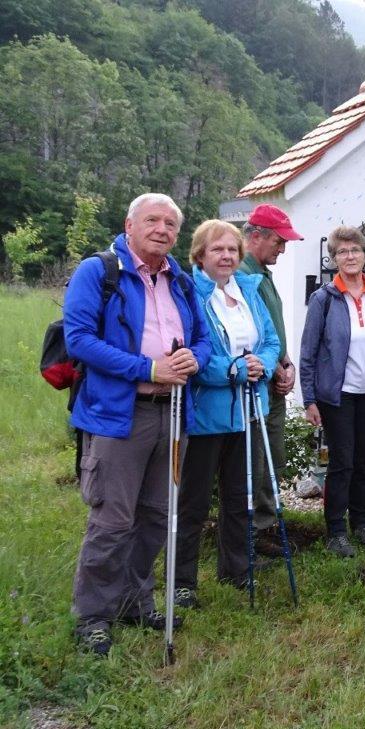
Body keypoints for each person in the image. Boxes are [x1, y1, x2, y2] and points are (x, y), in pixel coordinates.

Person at [63, 193, 211, 656]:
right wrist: (148, 369)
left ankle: (134, 601)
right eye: (152, 220)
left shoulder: (180, 280)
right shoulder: (98, 272)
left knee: (156, 516)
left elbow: (203, 339)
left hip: (173, 412)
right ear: (129, 225)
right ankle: (93, 616)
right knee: (113, 520)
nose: (162, 229)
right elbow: (78, 339)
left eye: (171, 223)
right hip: (119, 413)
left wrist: (193, 359)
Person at [173, 221, 280, 606]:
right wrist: (233, 369)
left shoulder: (248, 290)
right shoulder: (190, 293)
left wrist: (262, 364)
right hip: (207, 414)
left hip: (249, 411)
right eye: (217, 249)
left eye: (232, 250)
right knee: (194, 501)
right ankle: (182, 581)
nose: (226, 256)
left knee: (239, 495)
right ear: (200, 254)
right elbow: (191, 353)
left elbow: (271, 340)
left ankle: (236, 569)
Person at [300, 226, 365, 557]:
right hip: (338, 396)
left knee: (364, 461)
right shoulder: (324, 299)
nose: (350, 256)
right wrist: (309, 398)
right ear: (334, 259)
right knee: (341, 462)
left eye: (355, 250)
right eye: (342, 252)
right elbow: (308, 352)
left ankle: (362, 524)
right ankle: (336, 531)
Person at [237, 204, 303, 557]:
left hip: (274, 379)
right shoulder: (239, 274)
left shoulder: (263, 272)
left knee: (271, 456)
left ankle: (264, 526)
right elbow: (246, 332)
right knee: (253, 460)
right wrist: (275, 367)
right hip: (254, 382)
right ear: (256, 236)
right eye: (279, 241)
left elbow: (272, 328)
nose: (283, 249)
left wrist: (287, 363)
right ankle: (247, 533)